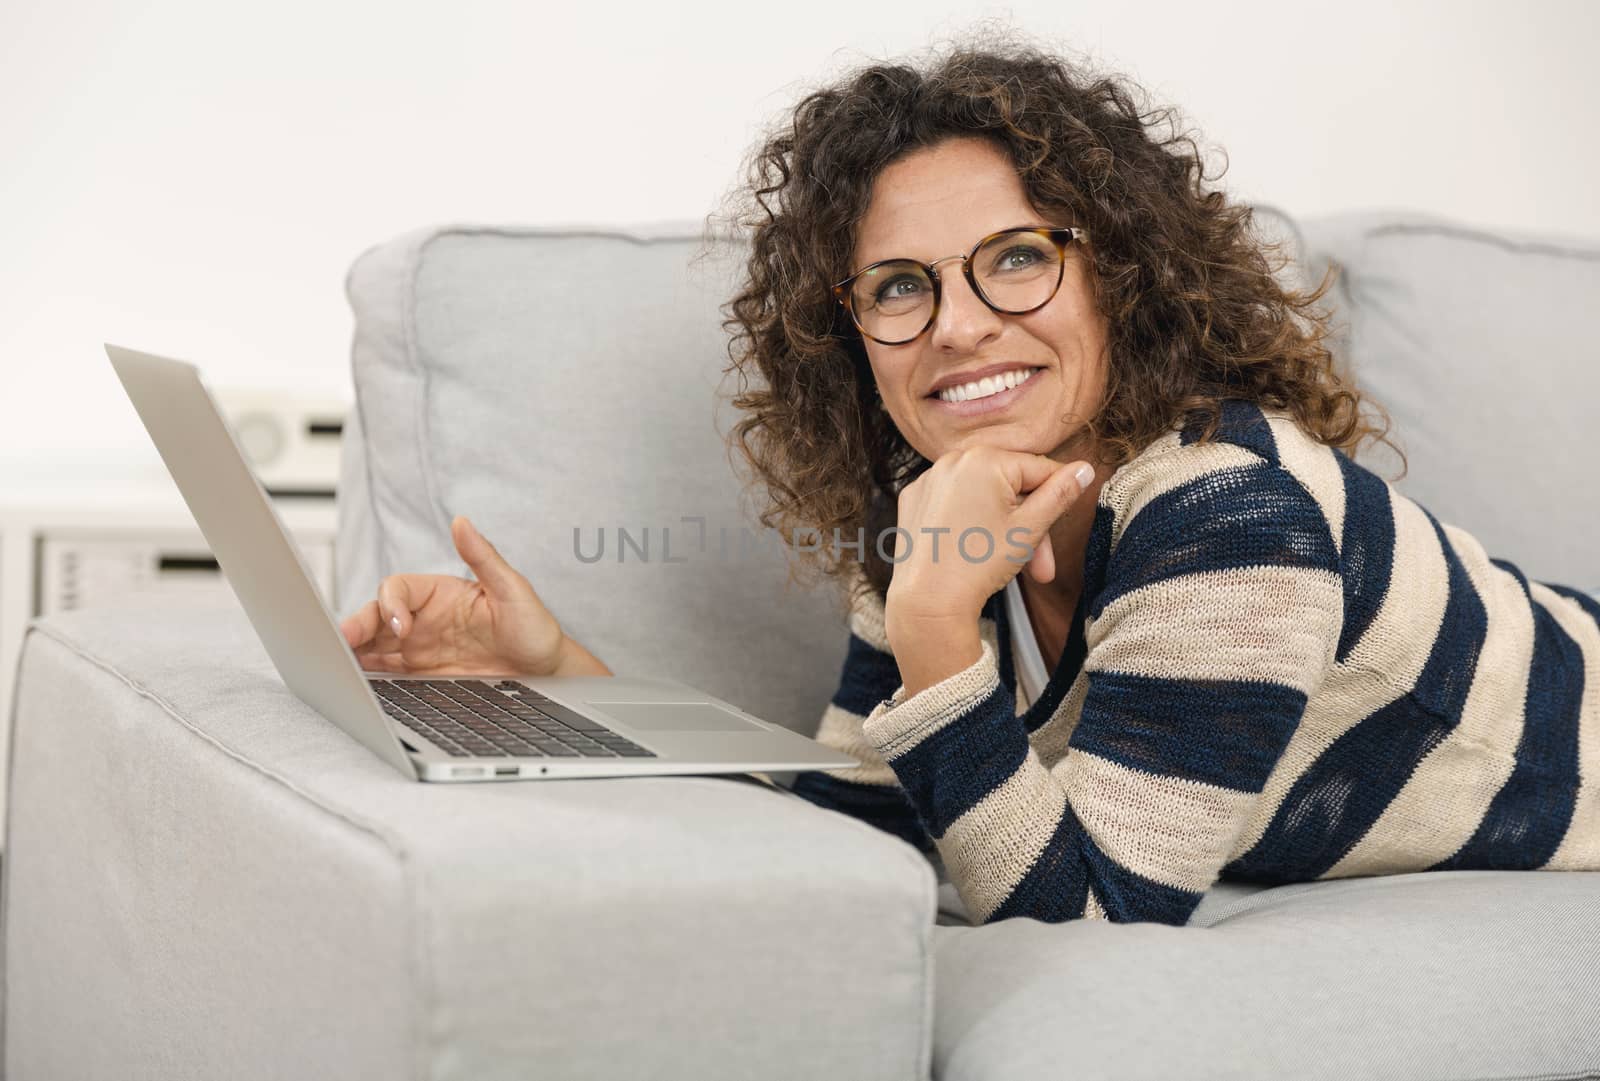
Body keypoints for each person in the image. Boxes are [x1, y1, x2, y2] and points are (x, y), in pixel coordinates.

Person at [340, 37, 1600, 928]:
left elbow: (1098, 913)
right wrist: (562, 677)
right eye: (901, 284)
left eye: (1014, 259)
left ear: (1122, 275)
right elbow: (868, 823)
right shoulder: (936, 511)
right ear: (850, 332)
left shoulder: (1229, 516)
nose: (958, 325)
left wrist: (933, 625)